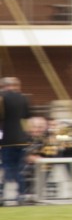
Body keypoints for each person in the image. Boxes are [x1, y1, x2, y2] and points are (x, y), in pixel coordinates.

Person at [0, 77, 31, 205]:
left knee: (6, 167)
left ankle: (2, 194)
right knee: (19, 169)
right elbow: (26, 116)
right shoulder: (23, 98)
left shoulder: (2, 98)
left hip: (7, 139)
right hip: (21, 139)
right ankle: (21, 194)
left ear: (3, 86)